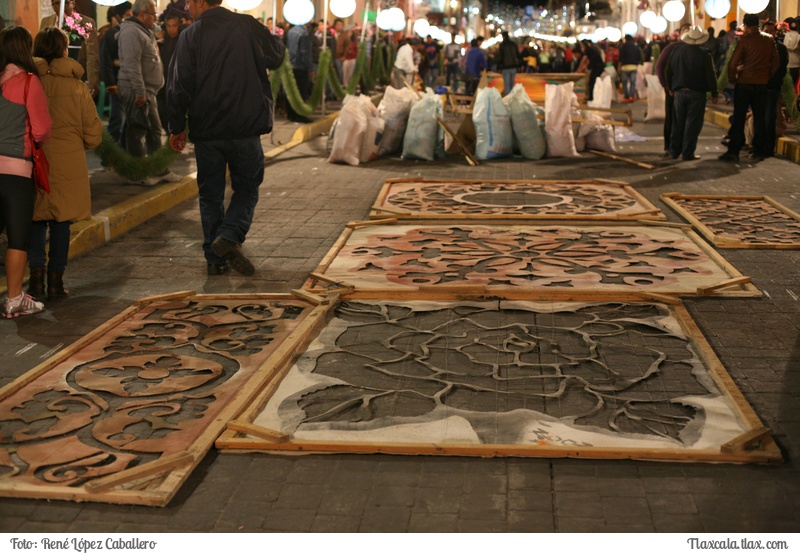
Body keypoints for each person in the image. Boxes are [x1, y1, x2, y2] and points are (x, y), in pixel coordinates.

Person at [167, 0, 284, 276]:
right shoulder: (246, 25)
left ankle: (215, 258)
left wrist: (176, 126)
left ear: (199, 2)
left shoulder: (191, 35)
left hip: (207, 129)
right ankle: (230, 235)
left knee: (210, 194)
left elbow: (178, 84)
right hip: (244, 126)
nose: (186, 8)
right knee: (247, 186)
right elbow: (276, 57)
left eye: (188, 3)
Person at [29, 27, 102, 301]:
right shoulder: (77, 87)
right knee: (61, 223)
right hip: (69, 164)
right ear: (63, 50)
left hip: (35, 161)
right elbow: (94, 135)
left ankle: (34, 282)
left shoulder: (27, 82)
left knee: (35, 220)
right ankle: (56, 282)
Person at [0, 26, 52, 317]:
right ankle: (15, 299)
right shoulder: (28, 82)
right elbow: (42, 130)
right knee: (17, 239)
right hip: (16, 173)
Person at [118, 0, 181, 184]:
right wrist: (139, 92)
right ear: (142, 14)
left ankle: (159, 170)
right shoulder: (131, 32)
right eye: (153, 14)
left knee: (154, 130)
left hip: (148, 90)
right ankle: (137, 173)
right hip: (137, 90)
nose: (156, 18)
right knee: (137, 130)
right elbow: (132, 66)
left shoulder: (143, 30)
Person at [718, 13, 779, 163]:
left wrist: (733, 79)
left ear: (745, 25)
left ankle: (734, 151)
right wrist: (766, 76)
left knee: (739, 118)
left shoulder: (744, 41)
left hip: (744, 83)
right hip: (761, 84)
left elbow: (732, 64)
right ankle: (758, 150)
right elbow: (776, 63)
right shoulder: (769, 40)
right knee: (759, 118)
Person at [666, 26, 718, 161]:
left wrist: (670, 87)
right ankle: (687, 153)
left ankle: (673, 151)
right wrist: (714, 92)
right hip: (696, 93)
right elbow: (710, 75)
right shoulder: (705, 54)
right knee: (692, 124)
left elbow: (668, 70)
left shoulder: (677, 51)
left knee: (677, 123)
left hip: (679, 92)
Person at [40, 0, 99, 100]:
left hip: (76, 77)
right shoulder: (46, 22)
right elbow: (41, 50)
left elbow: (92, 56)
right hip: (51, 79)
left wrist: (91, 83)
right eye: (57, 3)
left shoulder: (87, 23)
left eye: (66, 2)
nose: (61, 6)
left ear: (73, 3)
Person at [656, 23, 691, 155]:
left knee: (685, 120)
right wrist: (666, 85)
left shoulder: (695, 48)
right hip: (673, 89)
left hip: (687, 90)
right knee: (672, 118)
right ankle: (670, 147)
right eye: (685, 31)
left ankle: (681, 147)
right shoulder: (672, 47)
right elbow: (660, 67)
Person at [100, 2, 132, 147]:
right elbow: (106, 61)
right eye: (127, 15)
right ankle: (110, 155)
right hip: (117, 83)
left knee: (129, 120)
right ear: (118, 16)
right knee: (117, 119)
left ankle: (124, 151)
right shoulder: (111, 34)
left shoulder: (133, 32)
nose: (130, 18)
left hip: (132, 82)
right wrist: (111, 84)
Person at [762, 20, 789, 158]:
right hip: (759, 87)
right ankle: (758, 146)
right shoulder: (759, 46)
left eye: (771, 31)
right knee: (759, 118)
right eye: (766, 31)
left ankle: (767, 149)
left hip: (772, 88)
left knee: (770, 118)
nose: (769, 34)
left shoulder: (781, 48)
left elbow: (782, 69)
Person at [286, 21, 314, 123]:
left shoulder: (291, 31)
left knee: (291, 91)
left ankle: (291, 114)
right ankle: (299, 115)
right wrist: (311, 68)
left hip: (291, 65)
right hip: (300, 67)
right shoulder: (304, 33)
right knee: (301, 92)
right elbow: (305, 53)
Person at [157, 12, 181, 129]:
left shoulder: (183, 40)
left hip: (177, 81)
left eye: (174, 26)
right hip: (163, 80)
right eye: (169, 26)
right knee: (162, 109)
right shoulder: (162, 41)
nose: (171, 29)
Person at [618, 34, 642, 102]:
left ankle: (626, 96)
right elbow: (639, 57)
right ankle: (631, 96)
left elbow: (620, 58)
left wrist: (619, 67)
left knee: (624, 83)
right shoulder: (636, 47)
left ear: (626, 39)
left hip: (624, 67)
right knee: (633, 82)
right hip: (633, 67)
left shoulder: (623, 46)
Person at [498, 31, 518, 96]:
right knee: (512, 84)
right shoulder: (513, 44)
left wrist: (499, 66)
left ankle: (508, 101)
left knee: (507, 85)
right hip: (513, 66)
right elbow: (517, 55)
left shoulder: (502, 45)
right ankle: (512, 99)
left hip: (505, 67)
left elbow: (500, 57)